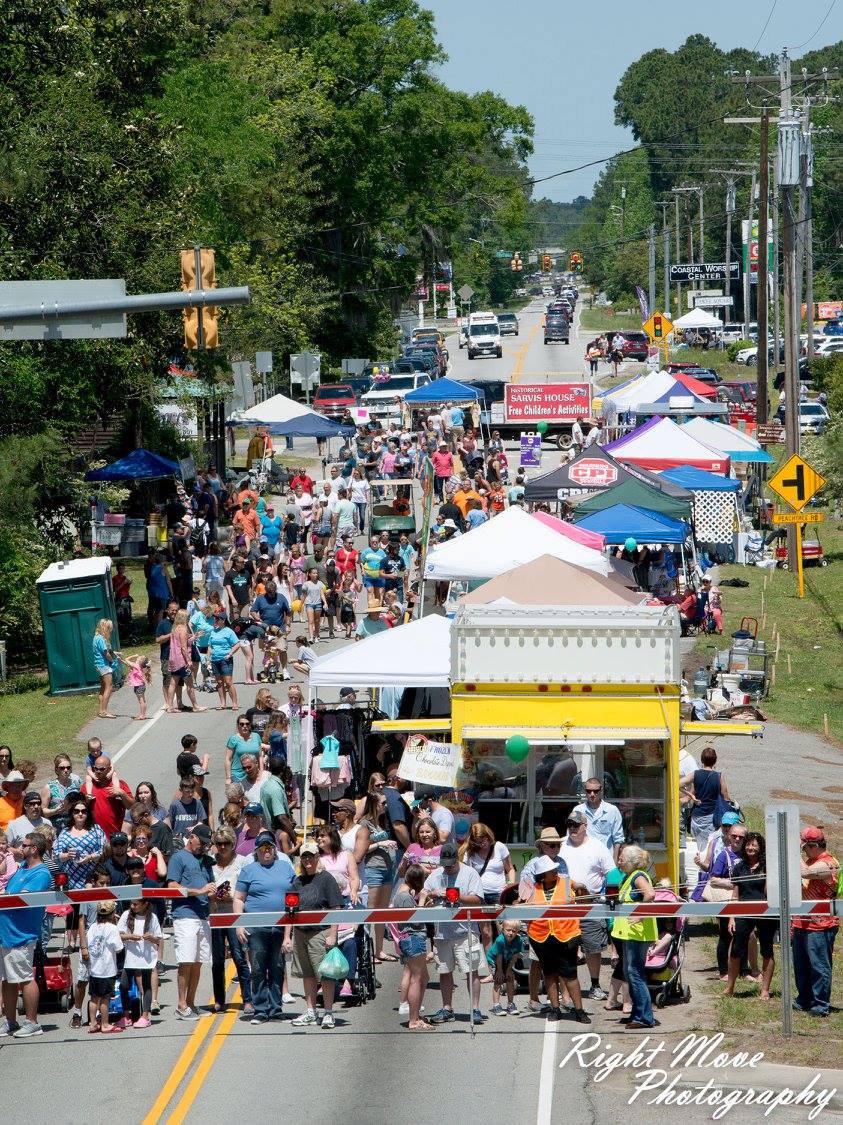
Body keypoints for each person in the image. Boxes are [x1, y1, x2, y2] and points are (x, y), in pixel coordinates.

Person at [234, 830, 297, 1024]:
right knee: (258, 968)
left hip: (280, 927)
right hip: (256, 927)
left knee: (277, 967)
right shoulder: (249, 870)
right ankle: (260, 1009)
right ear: (256, 851)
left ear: (275, 849)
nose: (266, 851)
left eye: (269, 847)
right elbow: (239, 898)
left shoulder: (286, 867)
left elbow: (293, 898)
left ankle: (276, 1009)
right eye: (262, 848)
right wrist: (239, 925)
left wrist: (288, 934)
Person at [421, 842, 485, 1024]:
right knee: (444, 971)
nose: (447, 868)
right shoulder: (435, 875)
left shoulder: (470, 873)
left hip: (466, 931)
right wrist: (432, 895)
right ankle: (447, 1008)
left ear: (457, 860)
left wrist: (455, 895)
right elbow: (423, 897)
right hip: (442, 932)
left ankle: (475, 1009)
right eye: (445, 865)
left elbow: (478, 900)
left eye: (451, 865)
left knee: (471, 971)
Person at [526, 853, 590, 1023]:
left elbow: (584, 899)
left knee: (570, 974)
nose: (555, 872)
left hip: (567, 935)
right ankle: (555, 1009)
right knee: (549, 973)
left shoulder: (568, 883)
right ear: (542, 875)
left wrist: (582, 888)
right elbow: (524, 907)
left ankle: (579, 1010)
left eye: (555, 869)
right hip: (541, 936)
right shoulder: (534, 888)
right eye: (551, 870)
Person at [286, 841, 343, 1029]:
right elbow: (290, 911)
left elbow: (336, 907)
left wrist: (333, 934)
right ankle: (311, 1012)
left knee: (325, 974)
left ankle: (328, 1012)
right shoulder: (297, 881)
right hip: (301, 932)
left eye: (311, 856)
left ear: (317, 857)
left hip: (321, 932)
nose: (307, 860)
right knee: (307, 974)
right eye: (304, 856)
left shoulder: (326, 879)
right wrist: (287, 937)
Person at [0, 832, 53, 1037]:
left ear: (34, 849)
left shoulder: (41, 873)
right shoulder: (21, 868)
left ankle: (32, 1023)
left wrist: (5, 895)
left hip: (21, 934)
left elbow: (23, 898)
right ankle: (10, 1021)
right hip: (6, 933)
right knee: (7, 980)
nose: (20, 848)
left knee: (24, 978)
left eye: (24, 845)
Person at [559, 811, 614, 1000]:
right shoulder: (560, 845)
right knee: (565, 947)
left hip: (591, 903)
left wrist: (609, 896)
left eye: (576, 825)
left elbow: (611, 873)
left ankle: (595, 985)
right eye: (569, 824)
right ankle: (565, 989)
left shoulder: (597, 846)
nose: (572, 828)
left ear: (585, 825)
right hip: (565, 904)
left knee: (593, 947)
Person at [167, 824, 217, 1020]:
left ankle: (191, 1003)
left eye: (207, 844)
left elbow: (209, 887)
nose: (204, 846)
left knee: (198, 962)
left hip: (203, 915)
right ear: (192, 837)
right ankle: (181, 1005)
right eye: (201, 842)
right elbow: (172, 886)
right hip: (185, 914)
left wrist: (214, 893)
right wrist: (199, 891)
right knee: (186, 961)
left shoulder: (206, 860)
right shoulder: (179, 857)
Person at [792, 826, 839, 1016]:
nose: (803, 851)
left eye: (804, 847)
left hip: (821, 925)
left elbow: (805, 873)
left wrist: (793, 851)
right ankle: (804, 999)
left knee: (819, 966)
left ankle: (820, 1004)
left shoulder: (829, 864)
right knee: (801, 966)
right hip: (801, 921)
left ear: (814, 846)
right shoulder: (810, 861)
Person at [724, 832, 776, 1002]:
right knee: (736, 950)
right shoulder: (740, 867)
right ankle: (730, 987)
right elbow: (735, 895)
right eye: (748, 844)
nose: (750, 848)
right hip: (743, 911)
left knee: (767, 949)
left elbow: (769, 892)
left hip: (765, 912)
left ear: (760, 847)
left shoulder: (767, 866)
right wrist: (732, 917)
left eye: (754, 845)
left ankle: (765, 990)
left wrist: (769, 875)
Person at [610, 845, 657, 1030]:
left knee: (635, 973)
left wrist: (639, 915)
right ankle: (636, 1013)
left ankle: (644, 1017)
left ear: (631, 861)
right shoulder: (628, 877)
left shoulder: (638, 876)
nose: (619, 862)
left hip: (637, 933)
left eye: (621, 859)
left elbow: (650, 894)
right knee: (630, 973)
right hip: (629, 933)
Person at [459, 823, 515, 950]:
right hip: (480, 896)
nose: (482, 843)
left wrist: (510, 884)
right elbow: (465, 873)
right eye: (478, 841)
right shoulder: (470, 851)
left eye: (484, 839)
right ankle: (490, 960)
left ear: (488, 836)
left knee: (504, 930)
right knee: (486, 933)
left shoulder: (499, 847)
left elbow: (510, 869)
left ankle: (505, 959)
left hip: (499, 894)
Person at [391, 864, 434, 1030]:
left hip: (411, 938)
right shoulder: (405, 897)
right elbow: (414, 921)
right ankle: (413, 1019)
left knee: (424, 977)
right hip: (413, 938)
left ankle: (415, 1015)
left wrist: (421, 906)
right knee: (417, 978)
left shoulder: (404, 895)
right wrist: (421, 901)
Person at [117, 898, 163, 1029]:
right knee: (124, 985)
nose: (132, 906)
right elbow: (118, 935)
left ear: (145, 904)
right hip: (131, 957)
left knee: (147, 985)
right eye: (131, 904)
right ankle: (126, 1015)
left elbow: (158, 940)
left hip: (147, 957)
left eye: (136, 904)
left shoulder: (152, 917)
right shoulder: (126, 915)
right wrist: (130, 936)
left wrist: (151, 938)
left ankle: (145, 1016)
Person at [84, 901, 126, 1034]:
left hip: (94, 969)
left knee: (94, 997)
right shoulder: (112, 928)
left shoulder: (92, 927)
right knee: (105, 998)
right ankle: (105, 1023)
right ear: (113, 913)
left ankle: (93, 1023)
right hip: (107, 970)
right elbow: (119, 948)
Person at [681, 746, 732, 851]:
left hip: (696, 816)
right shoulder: (718, 776)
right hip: (711, 816)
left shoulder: (695, 774)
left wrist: (691, 796)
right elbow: (726, 797)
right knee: (711, 846)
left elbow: (678, 784)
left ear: (702, 760)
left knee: (698, 847)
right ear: (715, 761)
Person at [572, 778, 625, 861]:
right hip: (584, 859)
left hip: (606, 860)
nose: (592, 794)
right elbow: (572, 836)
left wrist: (614, 862)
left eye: (595, 791)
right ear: (585, 791)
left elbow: (618, 839)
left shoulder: (612, 810)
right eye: (589, 791)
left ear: (601, 790)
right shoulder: (578, 810)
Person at [82, 757, 134, 838]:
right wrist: (86, 801)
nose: (98, 771)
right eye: (96, 768)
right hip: (93, 837)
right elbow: (79, 809)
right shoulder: (87, 786)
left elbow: (131, 806)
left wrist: (122, 793)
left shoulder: (120, 785)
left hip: (114, 835)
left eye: (102, 769)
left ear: (109, 769)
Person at [488, 919, 524, 1016]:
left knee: (510, 978)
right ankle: (496, 1005)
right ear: (503, 929)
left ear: (518, 931)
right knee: (498, 980)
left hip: (508, 959)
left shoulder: (518, 940)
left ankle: (510, 1004)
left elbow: (515, 956)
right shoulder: (500, 940)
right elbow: (498, 956)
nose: (511, 933)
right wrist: (500, 971)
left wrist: (508, 970)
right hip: (495, 960)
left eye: (514, 931)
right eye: (508, 930)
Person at [92, 618, 120, 719]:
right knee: (109, 687)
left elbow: (106, 651)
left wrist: (115, 653)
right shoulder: (100, 639)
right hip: (104, 666)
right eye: (109, 628)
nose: (110, 631)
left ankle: (101, 710)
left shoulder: (96, 637)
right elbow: (106, 653)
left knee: (103, 688)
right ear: (105, 628)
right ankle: (104, 711)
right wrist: (113, 660)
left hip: (99, 665)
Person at [7, 792, 48, 856]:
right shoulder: (14, 825)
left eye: (38, 803)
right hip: (21, 861)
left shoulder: (47, 823)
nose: (36, 806)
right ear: (25, 806)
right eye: (32, 804)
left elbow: (54, 845)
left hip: (44, 862)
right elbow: (6, 847)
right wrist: (18, 851)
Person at [225, 715, 262, 786]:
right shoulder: (233, 739)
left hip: (253, 775)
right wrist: (228, 778)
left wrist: (261, 772)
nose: (244, 726)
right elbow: (228, 759)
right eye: (241, 724)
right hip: (238, 776)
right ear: (238, 726)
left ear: (250, 725)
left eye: (247, 724)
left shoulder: (256, 736)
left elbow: (260, 756)